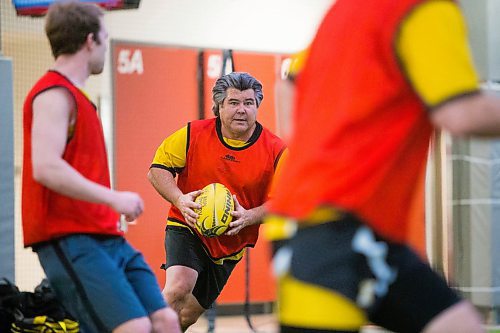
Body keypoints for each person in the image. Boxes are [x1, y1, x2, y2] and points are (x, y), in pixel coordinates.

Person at [266, 0, 500, 332]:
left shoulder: (346, 11)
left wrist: (317, 152)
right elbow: (459, 113)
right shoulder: (424, 9)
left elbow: (288, 84)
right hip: (330, 228)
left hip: (363, 231)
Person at [21, 2, 180, 332]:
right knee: (134, 327)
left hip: (108, 238)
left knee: (164, 319)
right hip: (71, 239)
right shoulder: (52, 94)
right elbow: (46, 167)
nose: (106, 46)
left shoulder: (80, 100)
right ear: (90, 40)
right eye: (106, 37)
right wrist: (113, 198)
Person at [148, 71, 287, 330]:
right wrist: (180, 200)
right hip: (187, 224)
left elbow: (284, 202)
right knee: (178, 288)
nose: (241, 110)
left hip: (230, 243)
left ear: (257, 107)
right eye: (233, 103)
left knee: (187, 315)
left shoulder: (276, 150)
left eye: (249, 103)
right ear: (219, 106)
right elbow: (157, 169)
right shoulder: (193, 133)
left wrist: (249, 216)